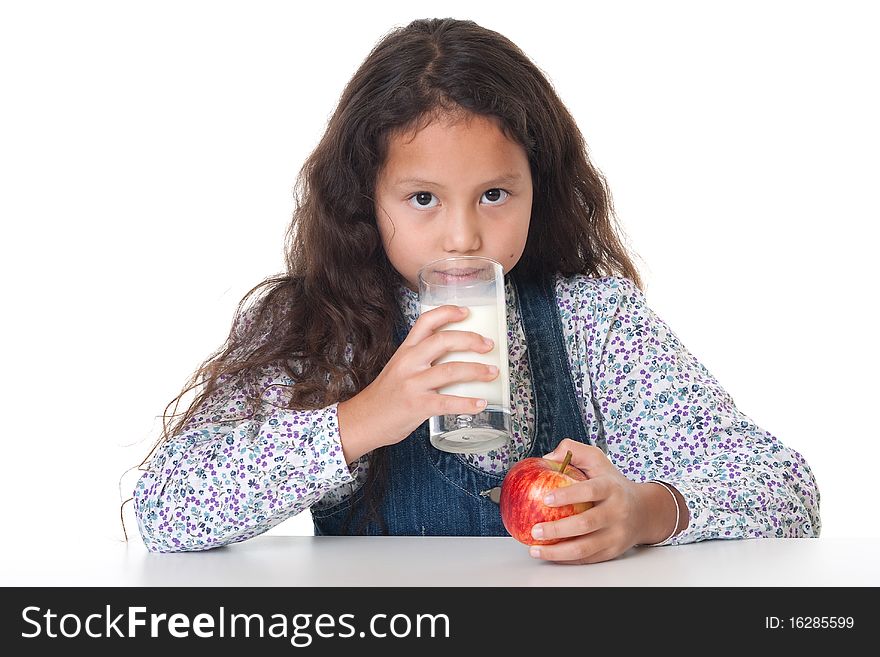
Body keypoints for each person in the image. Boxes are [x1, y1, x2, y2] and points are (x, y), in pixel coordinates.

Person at [129, 17, 820, 563]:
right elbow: (164, 506)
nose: (462, 236)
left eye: (493, 194)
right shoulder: (324, 330)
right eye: (423, 197)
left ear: (536, 189)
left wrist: (647, 510)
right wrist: (364, 417)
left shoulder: (592, 320)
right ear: (364, 200)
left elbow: (788, 490)